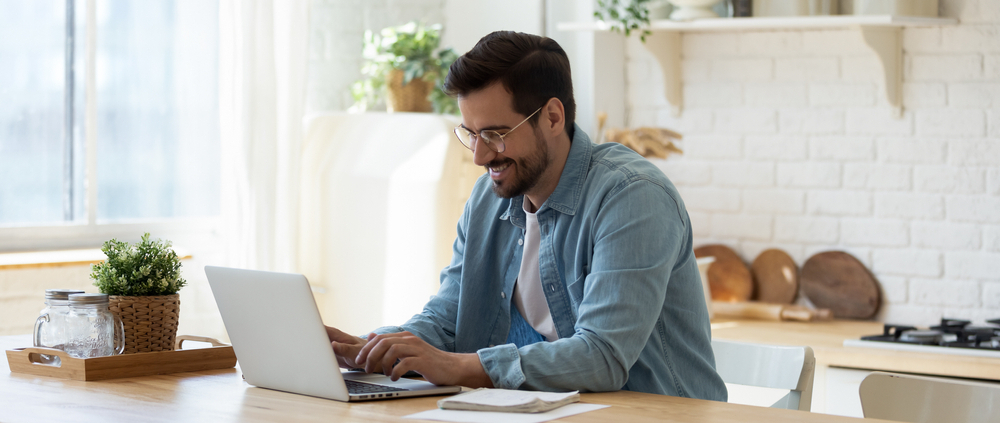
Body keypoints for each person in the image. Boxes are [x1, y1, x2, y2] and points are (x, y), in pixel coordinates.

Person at [325, 30, 727, 401]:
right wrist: (372, 347)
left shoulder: (632, 197)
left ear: (553, 117)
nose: (480, 156)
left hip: (660, 413)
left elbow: (603, 356)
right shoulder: (489, 198)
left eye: (495, 134)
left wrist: (458, 367)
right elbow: (450, 318)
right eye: (470, 134)